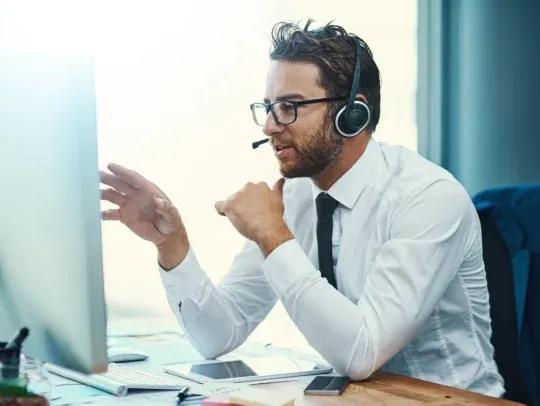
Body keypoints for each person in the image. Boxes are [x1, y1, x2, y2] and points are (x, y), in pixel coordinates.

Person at [100, 21, 504, 396]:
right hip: (358, 401)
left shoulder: (427, 198)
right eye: (268, 107)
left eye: (290, 106)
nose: (270, 126)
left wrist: (273, 236)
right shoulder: (296, 197)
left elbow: (361, 353)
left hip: (449, 401)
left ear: (352, 113)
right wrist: (172, 245)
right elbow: (217, 335)